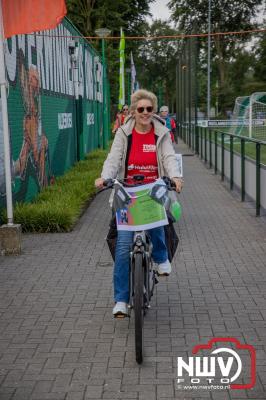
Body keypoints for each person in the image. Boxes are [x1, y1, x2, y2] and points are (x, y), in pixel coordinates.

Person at [95, 89, 183, 317]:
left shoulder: (161, 133)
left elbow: (168, 157)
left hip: (153, 189)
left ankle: (161, 258)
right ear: (133, 112)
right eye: (140, 109)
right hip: (127, 192)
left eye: (149, 109)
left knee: (155, 216)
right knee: (124, 248)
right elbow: (113, 159)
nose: (145, 113)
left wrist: (176, 177)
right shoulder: (124, 133)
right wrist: (105, 177)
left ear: (153, 111)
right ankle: (121, 301)